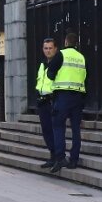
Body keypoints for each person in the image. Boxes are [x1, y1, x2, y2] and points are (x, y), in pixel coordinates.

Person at [49, 31, 87, 174]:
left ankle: (60, 157)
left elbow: (50, 73)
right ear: (76, 43)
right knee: (76, 129)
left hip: (63, 96)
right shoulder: (81, 57)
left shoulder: (61, 54)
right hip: (78, 97)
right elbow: (86, 77)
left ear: (65, 42)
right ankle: (74, 160)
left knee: (58, 126)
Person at [34, 38, 61, 168]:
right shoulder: (42, 64)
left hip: (52, 100)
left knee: (54, 130)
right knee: (46, 130)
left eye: (50, 48)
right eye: (46, 48)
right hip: (42, 101)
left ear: (55, 49)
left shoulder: (58, 63)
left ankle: (58, 157)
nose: (48, 51)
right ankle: (52, 155)